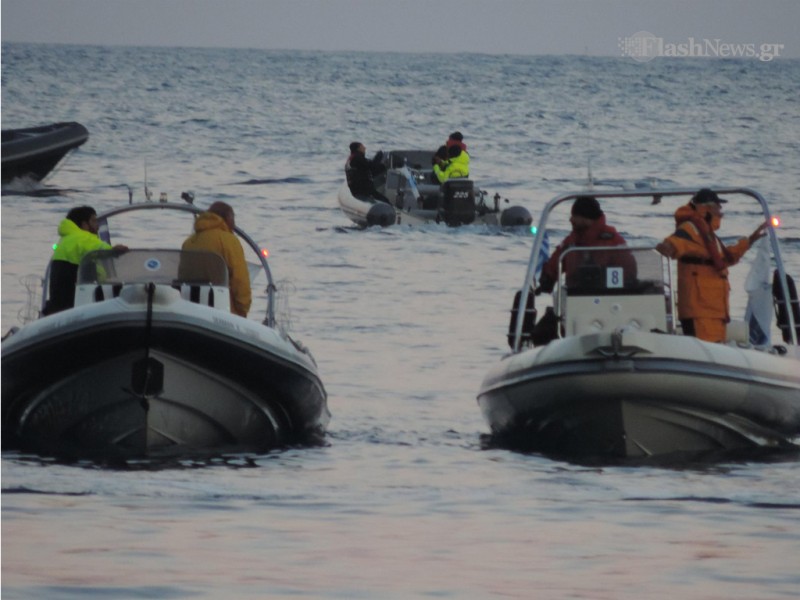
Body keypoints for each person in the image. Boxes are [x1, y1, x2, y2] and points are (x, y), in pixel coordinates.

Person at [656, 188, 767, 343]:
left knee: (715, 352)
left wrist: (750, 240)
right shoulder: (691, 229)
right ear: (706, 208)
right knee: (702, 354)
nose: (720, 211)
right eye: (717, 206)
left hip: (712, 312)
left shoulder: (707, 235)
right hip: (700, 312)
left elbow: (725, 258)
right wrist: (667, 248)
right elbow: (673, 244)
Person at [536, 196, 633, 294]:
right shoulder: (571, 242)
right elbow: (554, 266)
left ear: (585, 218)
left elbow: (629, 273)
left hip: (609, 298)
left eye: (574, 216)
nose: (571, 219)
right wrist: (546, 281)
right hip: (575, 297)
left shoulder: (613, 241)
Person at [44, 206, 128, 315]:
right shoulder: (82, 238)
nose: (97, 226)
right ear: (84, 224)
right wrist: (114, 250)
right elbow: (100, 249)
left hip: (59, 304)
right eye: (94, 221)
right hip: (74, 305)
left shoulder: (66, 239)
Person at [182, 201, 252, 318]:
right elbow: (240, 279)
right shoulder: (229, 241)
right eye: (233, 219)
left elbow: (182, 276)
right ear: (227, 218)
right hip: (224, 313)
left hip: (193, 311)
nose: (234, 225)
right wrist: (243, 308)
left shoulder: (188, 243)